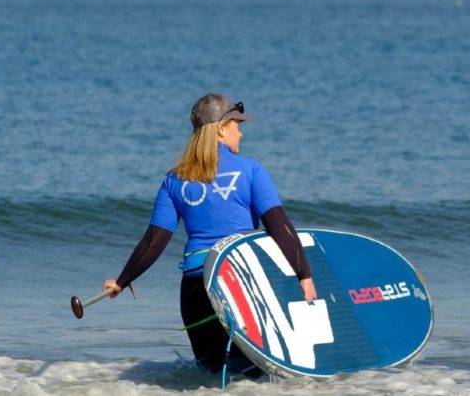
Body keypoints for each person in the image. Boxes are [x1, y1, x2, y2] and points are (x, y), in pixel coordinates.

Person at [103, 93, 317, 376]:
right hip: (238, 285)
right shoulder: (252, 171)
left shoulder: (174, 179)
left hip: (195, 291)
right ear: (220, 128)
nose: (240, 132)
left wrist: (123, 279)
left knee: (211, 378)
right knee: (251, 378)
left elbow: (154, 241)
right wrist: (304, 275)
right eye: (236, 125)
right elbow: (280, 228)